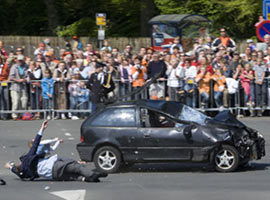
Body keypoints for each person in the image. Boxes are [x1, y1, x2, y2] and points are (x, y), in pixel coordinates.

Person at [5, 120, 108, 182]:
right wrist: (42, 129)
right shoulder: (27, 160)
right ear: (22, 162)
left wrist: (11, 167)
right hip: (54, 166)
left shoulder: (25, 174)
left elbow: (18, 173)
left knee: (72, 177)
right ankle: (92, 175)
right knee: (74, 166)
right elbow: (35, 143)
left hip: (53, 176)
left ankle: (86, 179)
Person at [8, 55, 28, 120]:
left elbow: (28, 74)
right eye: (19, 60)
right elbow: (11, 77)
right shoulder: (14, 67)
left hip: (23, 86)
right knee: (16, 101)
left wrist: (27, 79)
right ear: (17, 60)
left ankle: (22, 114)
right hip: (15, 87)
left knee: (24, 101)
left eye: (21, 60)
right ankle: (14, 115)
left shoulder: (26, 66)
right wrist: (17, 80)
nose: (20, 62)